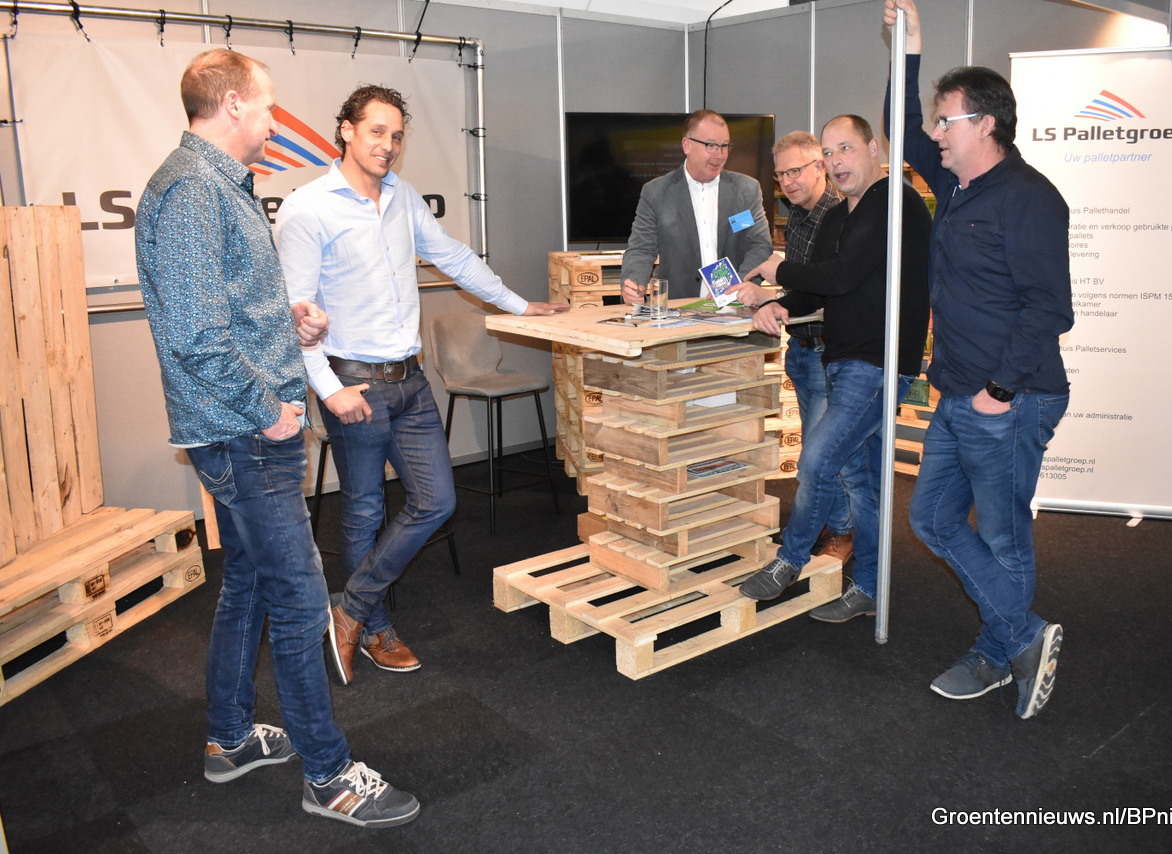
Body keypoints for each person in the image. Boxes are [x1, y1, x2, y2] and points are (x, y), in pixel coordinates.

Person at [135, 49, 418, 826]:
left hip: (241, 426)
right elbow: (195, 337)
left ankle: (229, 739)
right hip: (245, 432)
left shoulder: (216, 185)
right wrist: (268, 408)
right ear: (232, 105)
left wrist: (282, 320)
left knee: (249, 583)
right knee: (298, 598)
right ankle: (329, 776)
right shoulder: (193, 189)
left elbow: (218, 310)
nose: (272, 119)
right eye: (265, 106)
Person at [277, 85, 568, 687]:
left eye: (396, 135)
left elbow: (454, 258)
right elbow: (294, 311)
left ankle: (350, 608)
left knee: (437, 501)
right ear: (346, 130)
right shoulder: (308, 208)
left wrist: (518, 306)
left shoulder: (403, 197)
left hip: (409, 382)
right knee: (362, 510)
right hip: (353, 384)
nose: (387, 145)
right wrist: (328, 389)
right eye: (376, 131)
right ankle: (375, 627)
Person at [885, 0, 1074, 719]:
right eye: (937, 122)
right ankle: (1023, 634)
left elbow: (1049, 309)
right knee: (932, 518)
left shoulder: (1029, 199)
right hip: (958, 392)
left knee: (1002, 535)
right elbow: (902, 125)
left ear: (986, 124)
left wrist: (1000, 389)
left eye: (947, 122)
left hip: (1009, 398)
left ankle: (999, 655)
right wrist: (909, 48)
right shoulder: (957, 186)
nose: (934, 133)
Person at [731, 115, 931, 621]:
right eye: (830, 151)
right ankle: (869, 587)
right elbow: (815, 290)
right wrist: (779, 304)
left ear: (873, 148)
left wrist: (779, 270)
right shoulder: (840, 215)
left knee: (817, 461)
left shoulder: (896, 201)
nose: (837, 161)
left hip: (880, 363)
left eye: (846, 149)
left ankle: (790, 559)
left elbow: (842, 275)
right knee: (861, 483)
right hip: (841, 360)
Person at [730, 131, 856, 565]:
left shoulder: (840, 216)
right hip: (801, 349)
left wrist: (771, 297)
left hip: (826, 353)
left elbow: (827, 289)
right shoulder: (798, 215)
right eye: (781, 174)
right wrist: (771, 297)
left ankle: (843, 532)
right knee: (816, 452)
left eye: (796, 171)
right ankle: (824, 519)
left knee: (821, 456)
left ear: (820, 166)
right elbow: (800, 285)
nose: (788, 181)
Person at [620, 109, 773, 303]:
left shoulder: (746, 190)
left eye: (725, 146)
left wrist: (738, 287)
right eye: (711, 146)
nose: (719, 155)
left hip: (735, 308)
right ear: (687, 145)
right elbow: (641, 248)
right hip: (679, 310)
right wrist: (633, 284)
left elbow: (759, 245)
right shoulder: (656, 192)